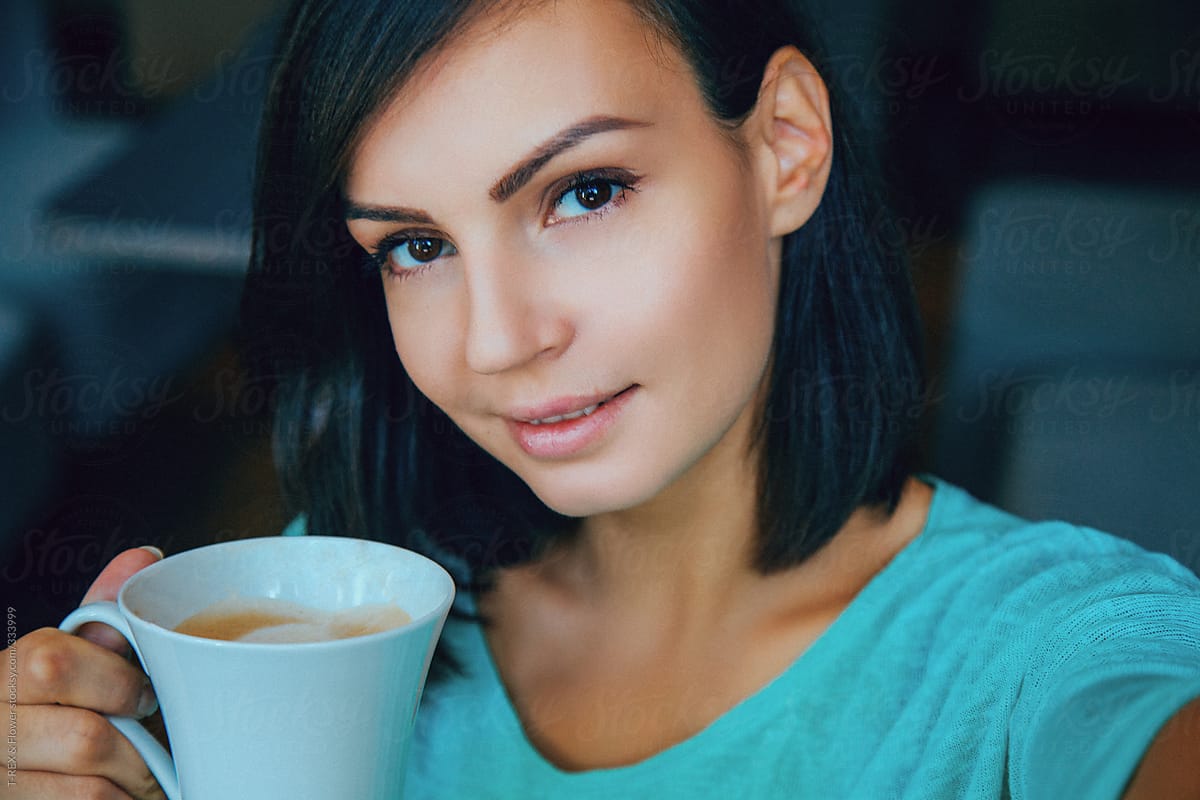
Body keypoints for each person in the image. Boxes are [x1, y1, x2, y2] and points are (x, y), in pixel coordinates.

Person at [10, 1, 1200, 797]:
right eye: (415, 246)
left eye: (585, 191)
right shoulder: (341, 591)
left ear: (786, 144)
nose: (498, 339)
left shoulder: (1048, 649)